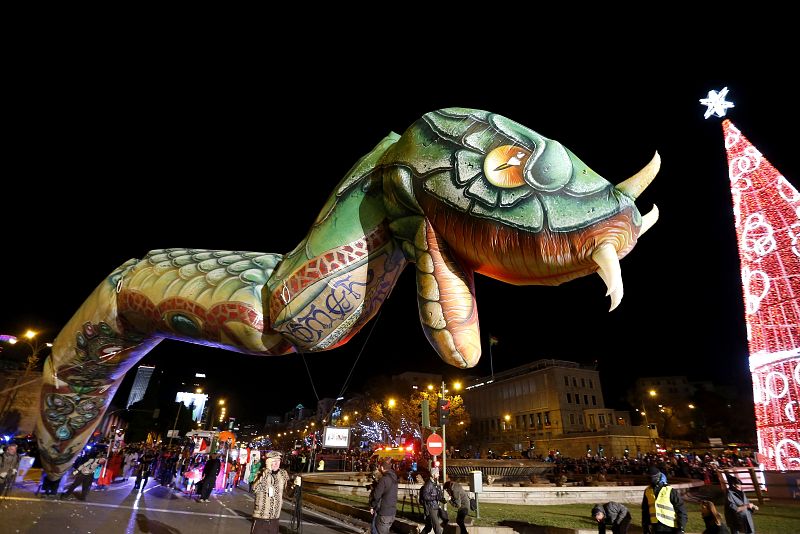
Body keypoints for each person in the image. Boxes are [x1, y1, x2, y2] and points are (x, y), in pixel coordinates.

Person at [251, 451, 290, 534]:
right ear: (268, 462)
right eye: (273, 461)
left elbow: (289, 493)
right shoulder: (261, 473)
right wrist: (268, 470)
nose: (276, 463)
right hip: (260, 518)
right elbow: (255, 489)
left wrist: (295, 486)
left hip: (275, 519)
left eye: (278, 461)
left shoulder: (283, 474)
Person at [641, 465, 687, 534]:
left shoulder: (670, 490)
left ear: (657, 477)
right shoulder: (647, 491)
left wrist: (681, 527)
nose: (648, 480)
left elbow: (681, 509)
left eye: (650, 478)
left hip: (670, 527)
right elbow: (645, 510)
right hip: (655, 527)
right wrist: (645, 525)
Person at [369, 459, 398, 534]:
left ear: (382, 468)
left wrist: (372, 506)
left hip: (384, 512)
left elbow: (376, 495)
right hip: (392, 512)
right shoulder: (394, 478)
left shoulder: (384, 480)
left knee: (376, 530)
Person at [419, 468, 446, 534]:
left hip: (436, 506)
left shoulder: (436, 483)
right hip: (431, 507)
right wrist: (435, 497)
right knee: (437, 527)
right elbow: (425, 496)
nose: (438, 475)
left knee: (428, 526)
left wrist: (441, 498)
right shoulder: (428, 484)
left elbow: (438, 494)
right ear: (433, 474)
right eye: (437, 473)